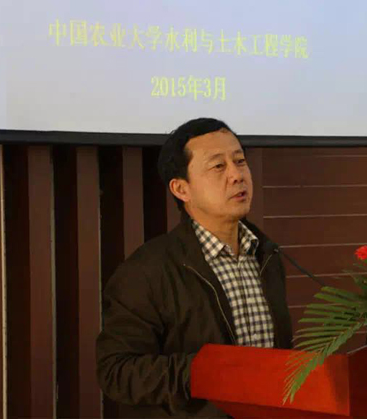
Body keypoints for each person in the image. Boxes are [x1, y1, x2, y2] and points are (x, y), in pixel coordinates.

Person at [96, 118, 293, 417]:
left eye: (240, 161)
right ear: (181, 189)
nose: (237, 175)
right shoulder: (146, 271)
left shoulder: (266, 254)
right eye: (218, 166)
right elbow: (117, 372)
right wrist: (208, 371)